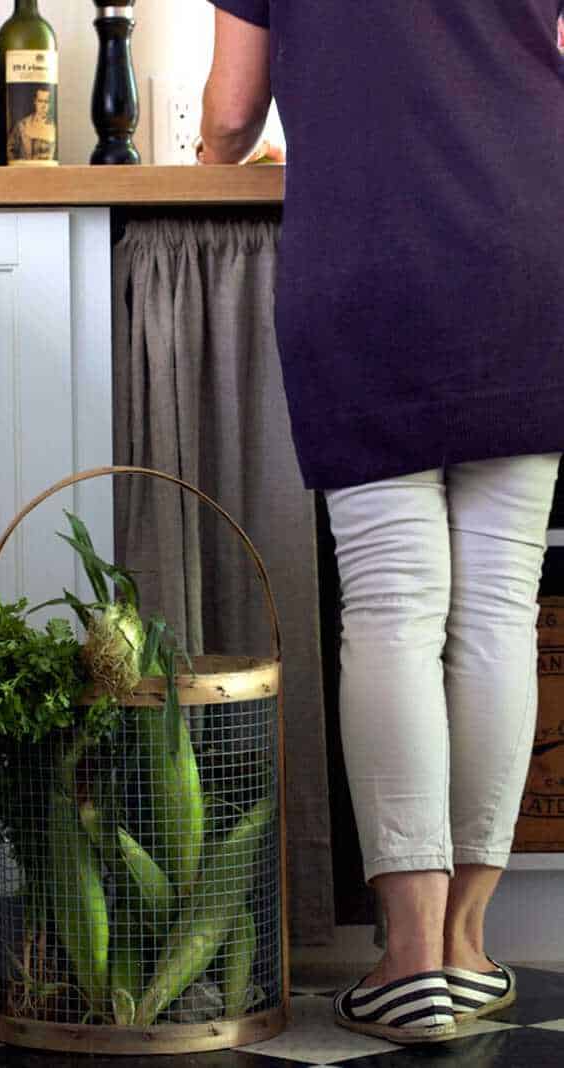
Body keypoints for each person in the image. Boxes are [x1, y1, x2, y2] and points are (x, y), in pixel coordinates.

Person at [199, 0, 564, 1047]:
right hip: (530, 243)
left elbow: (229, 115)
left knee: (392, 607)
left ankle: (405, 962)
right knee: (495, 605)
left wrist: (218, 153)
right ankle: (462, 947)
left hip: (367, 257)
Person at [7, 86, 56, 163]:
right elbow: (9, 149)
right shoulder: (22, 125)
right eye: (40, 101)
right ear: (35, 102)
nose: (43, 106)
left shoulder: (54, 127)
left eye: (46, 102)